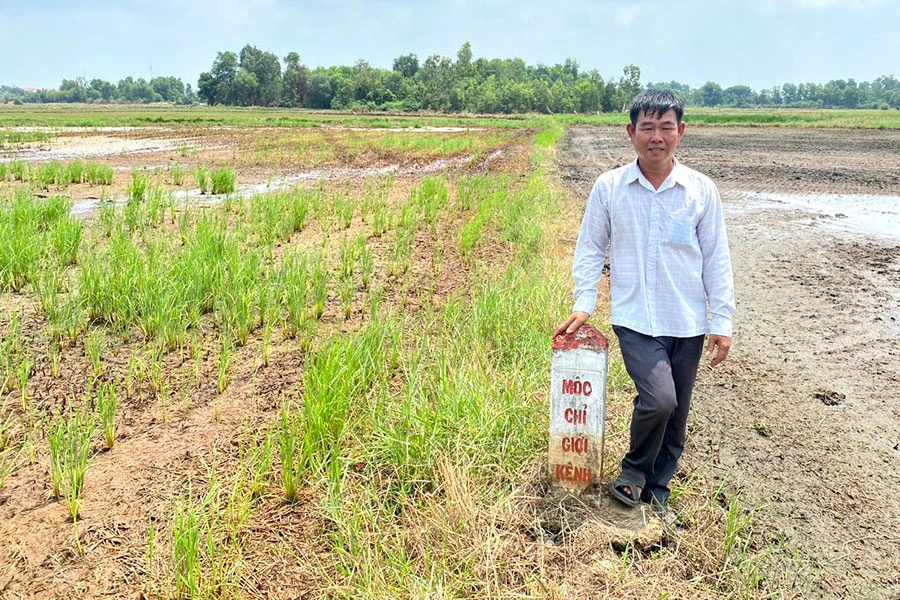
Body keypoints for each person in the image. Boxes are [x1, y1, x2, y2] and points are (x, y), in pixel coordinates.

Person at [553, 89, 735, 517]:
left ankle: (657, 486)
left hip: (687, 320)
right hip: (634, 317)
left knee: (677, 412)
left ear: (681, 131)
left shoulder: (700, 190)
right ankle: (634, 470)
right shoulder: (610, 187)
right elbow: (590, 247)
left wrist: (722, 321)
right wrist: (584, 302)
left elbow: (717, 258)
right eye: (647, 127)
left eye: (666, 127)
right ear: (631, 132)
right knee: (659, 399)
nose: (657, 137)